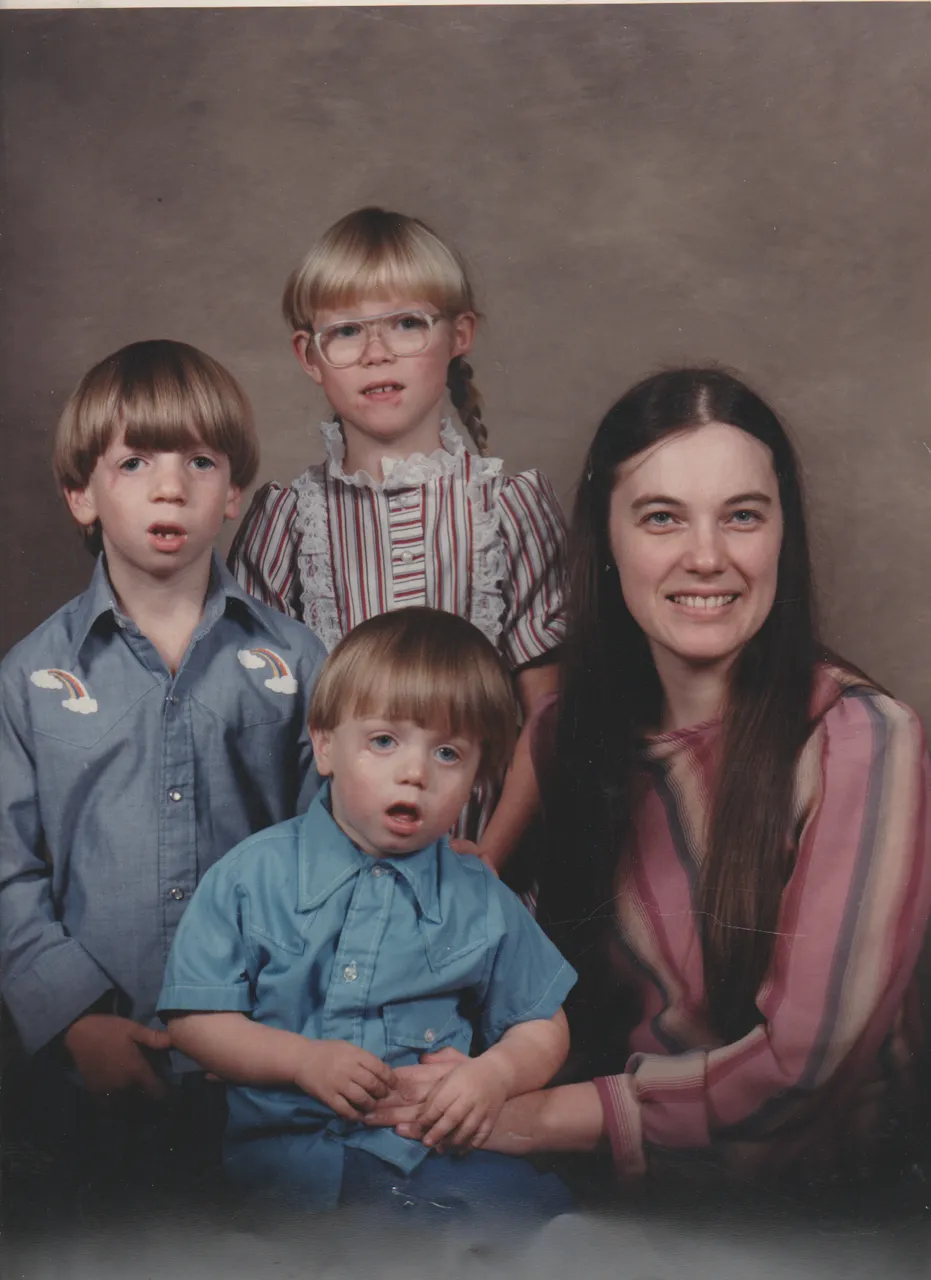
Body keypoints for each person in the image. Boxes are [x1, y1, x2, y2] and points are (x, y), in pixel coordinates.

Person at [367, 368, 931, 1199]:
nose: (706, 557)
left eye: (742, 516)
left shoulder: (862, 739)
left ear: (783, 536)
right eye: (661, 518)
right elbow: (486, 950)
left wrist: (528, 1118)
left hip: (818, 1204)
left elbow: (806, 1066)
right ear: (607, 541)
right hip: (615, 1189)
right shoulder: (565, 731)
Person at [0, 339, 326, 1219]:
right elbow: (8, 873)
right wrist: (74, 1021)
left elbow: (333, 846)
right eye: (134, 461)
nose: (169, 486)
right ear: (81, 493)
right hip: (94, 1068)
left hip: (267, 1056)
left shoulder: (296, 660)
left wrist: (283, 1021)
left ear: (236, 494)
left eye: (200, 461)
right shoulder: (28, 678)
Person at [158, 607, 576, 1221]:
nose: (414, 772)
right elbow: (195, 1019)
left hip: (432, 1160)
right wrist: (302, 1060)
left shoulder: (479, 896)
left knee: (557, 1226)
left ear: (479, 779)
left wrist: (496, 1075)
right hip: (287, 1170)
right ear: (324, 745)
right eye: (384, 740)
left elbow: (546, 1024)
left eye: (449, 754)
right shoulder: (253, 876)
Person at [228, 207, 567, 872]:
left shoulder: (509, 508)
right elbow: (253, 729)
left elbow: (549, 716)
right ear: (309, 356)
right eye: (347, 331)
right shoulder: (285, 521)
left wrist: (487, 861)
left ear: (459, 333)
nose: (377, 352)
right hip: (321, 880)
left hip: (477, 867)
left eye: (407, 323)